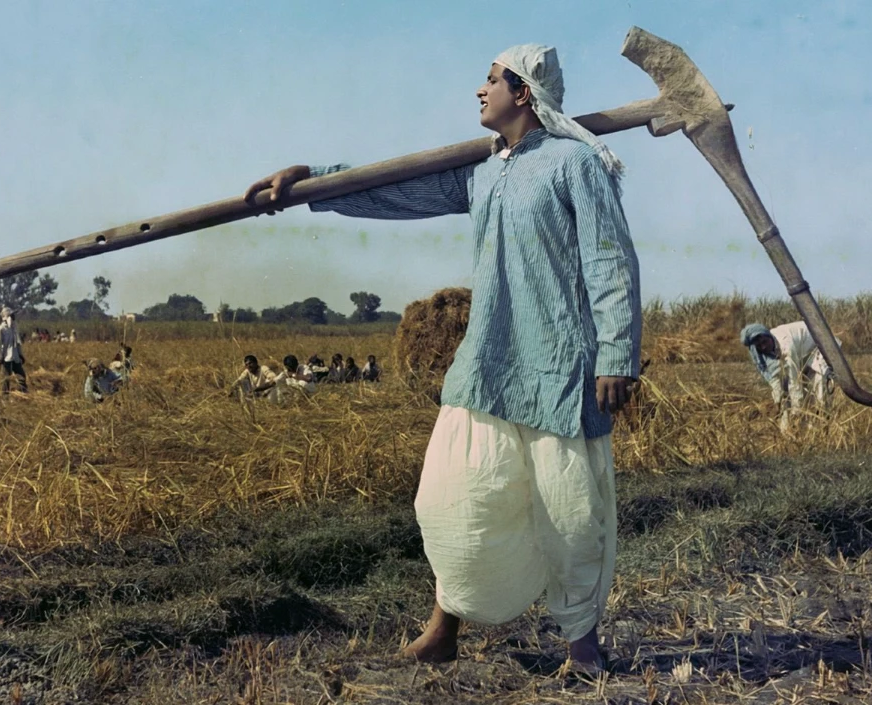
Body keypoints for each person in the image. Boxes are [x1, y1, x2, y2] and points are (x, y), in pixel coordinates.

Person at [245, 43, 641, 672]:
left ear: (524, 92)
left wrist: (617, 352)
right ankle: (444, 629)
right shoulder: (478, 169)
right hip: (486, 362)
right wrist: (309, 180)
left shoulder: (576, 164)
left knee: (569, 514)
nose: (478, 91)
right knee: (449, 498)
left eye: (490, 80)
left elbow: (609, 259)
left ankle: (582, 647)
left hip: (562, 367)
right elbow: (393, 188)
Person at [741, 321, 835, 431]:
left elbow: (794, 382)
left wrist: (796, 411)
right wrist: (778, 401)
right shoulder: (760, 354)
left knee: (818, 391)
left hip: (817, 345)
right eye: (759, 346)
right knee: (785, 397)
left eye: (764, 342)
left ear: (769, 336)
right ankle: (790, 431)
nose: (764, 346)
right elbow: (774, 380)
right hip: (800, 354)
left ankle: (822, 428)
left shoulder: (786, 344)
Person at [0, 306, 28, 394]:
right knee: (6, 378)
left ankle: (23, 394)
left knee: (21, 375)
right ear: (7, 316)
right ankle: (5, 397)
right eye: (12, 315)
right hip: (6, 358)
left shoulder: (14, 328)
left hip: (15, 357)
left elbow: (17, 343)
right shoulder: (0, 330)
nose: (14, 317)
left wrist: (20, 354)